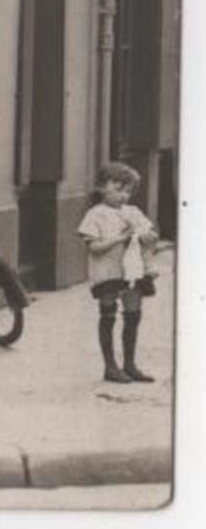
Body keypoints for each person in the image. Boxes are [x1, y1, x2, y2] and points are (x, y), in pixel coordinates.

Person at [78, 162, 161, 384]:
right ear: (102, 188)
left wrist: (149, 237)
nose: (124, 196)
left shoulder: (133, 212)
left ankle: (130, 364)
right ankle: (110, 366)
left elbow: (151, 234)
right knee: (108, 314)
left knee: (133, 314)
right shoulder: (95, 215)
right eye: (118, 189)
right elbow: (94, 247)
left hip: (133, 270)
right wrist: (120, 238)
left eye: (128, 191)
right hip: (108, 272)